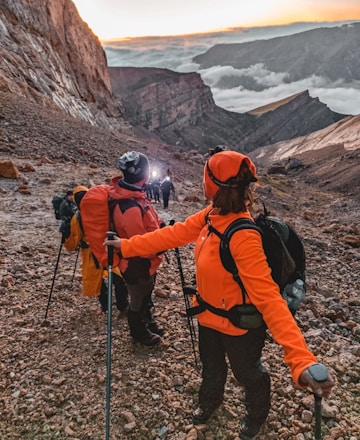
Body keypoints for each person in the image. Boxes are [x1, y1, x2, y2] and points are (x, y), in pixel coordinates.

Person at [104, 148, 335, 439]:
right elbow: (170, 236)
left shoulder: (243, 236)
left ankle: (256, 415)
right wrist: (125, 247)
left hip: (240, 327)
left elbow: (269, 299)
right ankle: (209, 402)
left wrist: (301, 359)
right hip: (208, 319)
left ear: (211, 183)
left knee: (248, 374)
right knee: (211, 368)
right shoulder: (211, 216)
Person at [108, 151, 165, 346]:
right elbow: (138, 244)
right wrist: (160, 247)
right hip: (137, 263)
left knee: (146, 293)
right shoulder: (129, 206)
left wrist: (161, 228)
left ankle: (147, 322)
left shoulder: (134, 196)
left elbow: (149, 222)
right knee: (138, 297)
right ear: (143, 174)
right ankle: (139, 332)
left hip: (145, 262)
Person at [63, 186, 129, 314]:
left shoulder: (77, 218)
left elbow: (72, 244)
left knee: (98, 283)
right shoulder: (104, 209)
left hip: (91, 254)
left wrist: (65, 236)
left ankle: (106, 306)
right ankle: (123, 305)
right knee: (118, 278)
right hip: (108, 249)